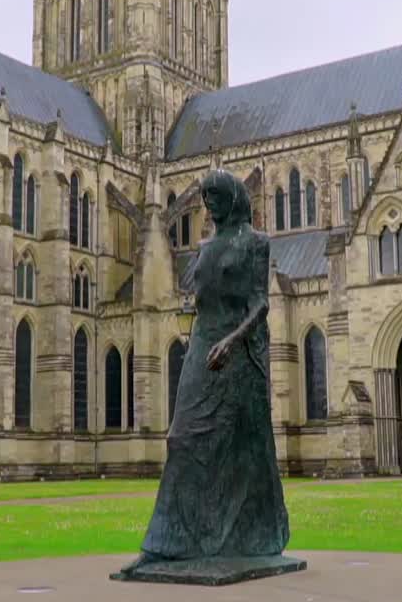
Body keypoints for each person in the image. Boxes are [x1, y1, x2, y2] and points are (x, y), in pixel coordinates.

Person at [120, 169, 290, 572]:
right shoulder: (203, 246)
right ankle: (165, 543)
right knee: (181, 437)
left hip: (235, 349)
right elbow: (192, 291)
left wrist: (232, 341)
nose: (209, 205)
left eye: (216, 197)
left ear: (234, 198)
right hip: (201, 344)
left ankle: (254, 534)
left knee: (246, 447)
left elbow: (261, 304)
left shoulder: (256, 243)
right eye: (205, 198)